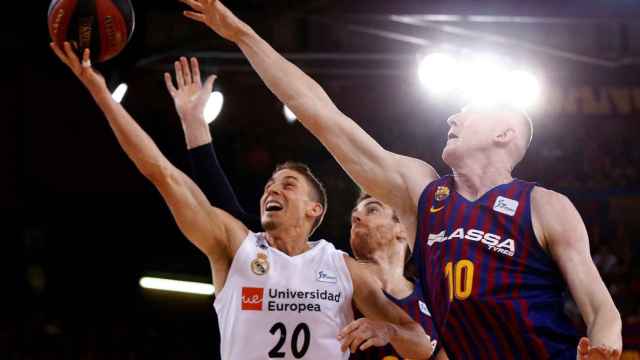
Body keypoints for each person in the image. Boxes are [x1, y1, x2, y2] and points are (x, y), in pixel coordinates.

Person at [178, 0, 623, 358]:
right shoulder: (423, 192)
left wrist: (604, 348)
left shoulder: (544, 205)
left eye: (469, 111)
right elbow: (323, 116)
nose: (453, 115)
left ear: (504, 133)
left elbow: (602, 309)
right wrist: (242, 34)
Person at [49, 43, 433, 360]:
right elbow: (162, 173)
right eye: (269, 185)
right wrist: (102, 94)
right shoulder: (235, 247)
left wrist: (386, 329)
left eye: (288, 184)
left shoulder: (346, 271)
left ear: (315, 209)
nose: (272, 190)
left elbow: (423, 348)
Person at [167, 57, 447, 359]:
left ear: (403, 229)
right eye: (356, 210)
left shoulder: (433, 295)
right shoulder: (330, 269)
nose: (356, 215)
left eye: (373, 208)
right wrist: (195, 125)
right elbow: (226, 217)